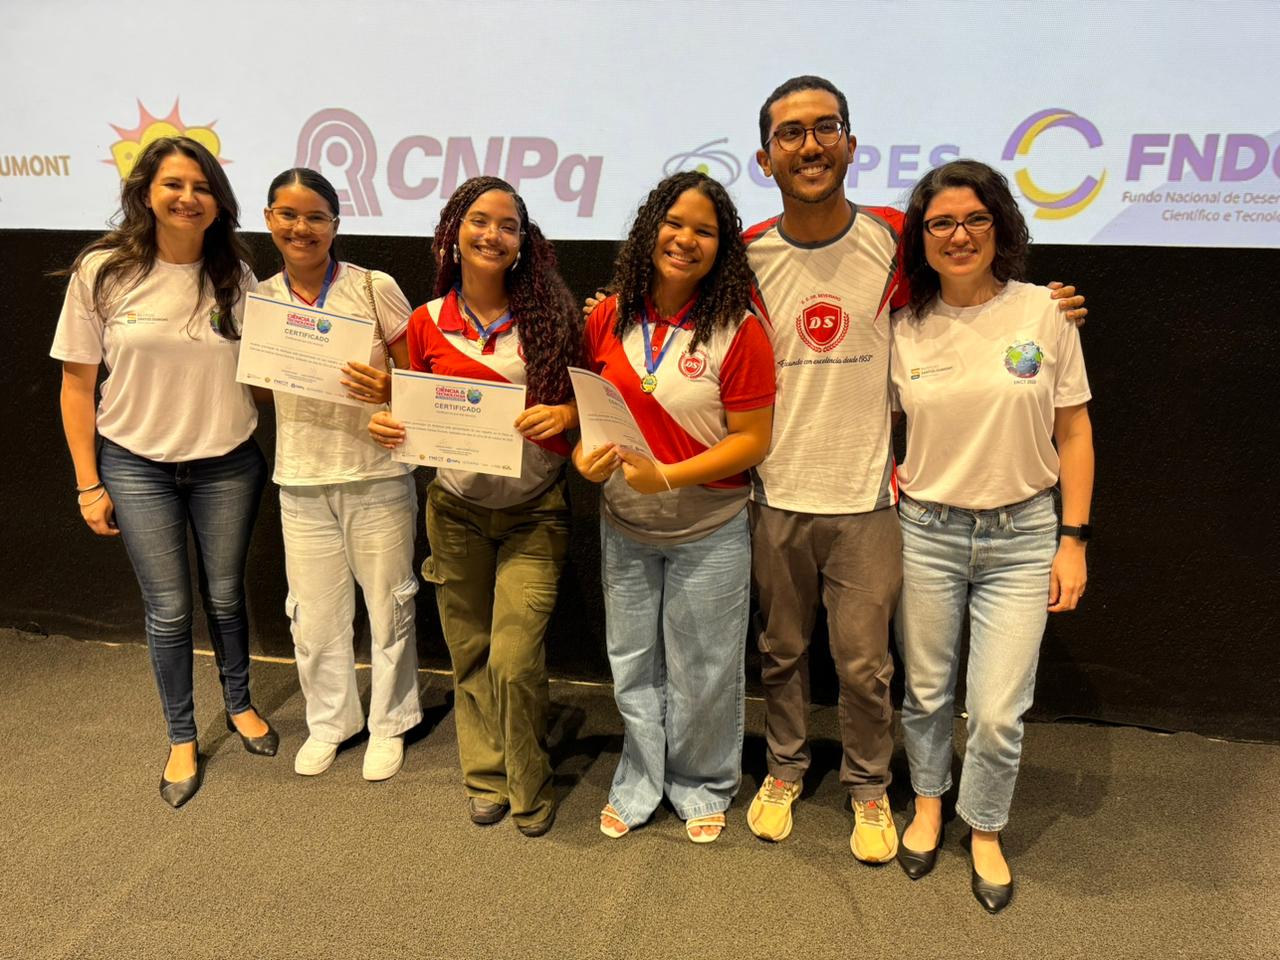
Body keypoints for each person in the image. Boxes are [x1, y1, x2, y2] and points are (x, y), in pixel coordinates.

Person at [741, 76, 1087, 862]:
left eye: (825, 128)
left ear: (851, 145)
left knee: (868, 666)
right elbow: (675, 291)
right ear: (766, 158)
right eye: (790, 133)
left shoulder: (898, 237)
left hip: (872, 497)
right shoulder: (746, 253)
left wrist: (1047, 307)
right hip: (776, 491)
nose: (810, 145)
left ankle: (869, 786)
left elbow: (971, 279)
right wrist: (609, 305)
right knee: (781, 652)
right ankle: (785, 770)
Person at [889, 159, 1094, 913]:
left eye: (975, 218)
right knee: (925, 691)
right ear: (922, 238)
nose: (959, 235)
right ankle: (928, 802)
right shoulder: (901, 327)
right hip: (927, 532)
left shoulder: (1045, 311)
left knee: (999, 708)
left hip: (1023, 534)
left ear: (999, 226)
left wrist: (1074, 538)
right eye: (941, 222)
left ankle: (983, 824)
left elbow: (1075, 433)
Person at [51, 136, 274, 809]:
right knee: (170, 609)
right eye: (174, 184)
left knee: (227, 597)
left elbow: (264, 375)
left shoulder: (237, 274)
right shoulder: (103, 271)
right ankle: (181, 735)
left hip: (227, 463)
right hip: (136, 465)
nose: (188, 197)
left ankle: (239, 703)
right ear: (146, 192)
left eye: (202, 187)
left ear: (218, 202)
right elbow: (76, 386)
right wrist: (88, 484)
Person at [370, 176, 580, 836]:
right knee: (472, 652)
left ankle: (529, 781)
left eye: (508, 225)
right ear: (453, 233)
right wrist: (389, 421)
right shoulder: (426, 322)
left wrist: (567, 413)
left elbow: (595, 401)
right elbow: (411, 406)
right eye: (479, 221)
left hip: (534, 512)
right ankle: (485, 777)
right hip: (456, 512)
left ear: (523, 241)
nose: (493, 234)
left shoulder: (553, 318)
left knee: (515, 662)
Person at [574, 171, 775, 844]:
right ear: (650, 229)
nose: (686, 239)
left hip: (709, 528)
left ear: (723, 248)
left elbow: (753, 440)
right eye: (675, 223)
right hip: (625, 524)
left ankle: (702, 782)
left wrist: (669, 477)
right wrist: (584, 456)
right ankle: (638, 778)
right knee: (633, 662)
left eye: (705, 231)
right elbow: (591, 411)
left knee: (705, 668)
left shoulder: (739, 330)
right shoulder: (607, 315)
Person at [257, 168, 422, 781]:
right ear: (269, 219)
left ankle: (390, 722)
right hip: (300, 475)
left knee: (390, 605)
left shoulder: (373, 288)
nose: (301, 228)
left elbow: (417, 379)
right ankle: (331, 721)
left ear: (335, 224)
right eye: (288, 214)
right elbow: (259, 390)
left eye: (315, 217)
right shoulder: (260, 298)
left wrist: (387, 387)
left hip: (375, 473)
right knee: (314, 614)